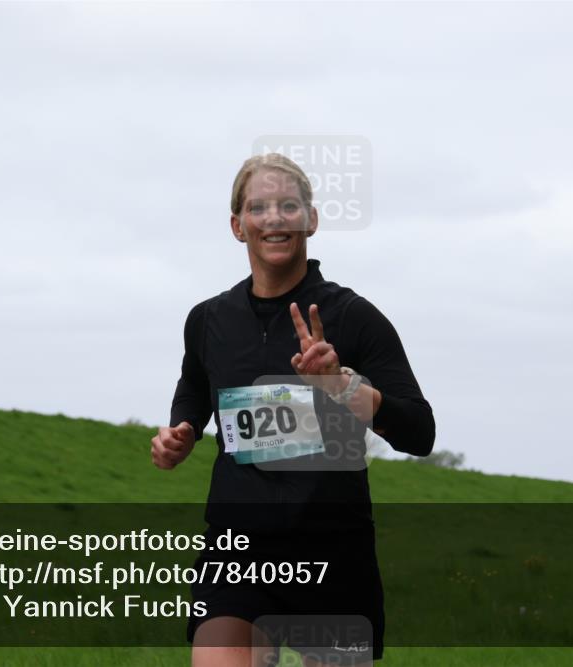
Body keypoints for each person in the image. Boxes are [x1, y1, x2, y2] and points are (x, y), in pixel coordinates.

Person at [151, 153, 435, 666]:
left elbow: (419, 431)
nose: (275, 218)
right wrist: (184, 430)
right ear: (238, 226)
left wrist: (342, 387)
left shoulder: (354, 318)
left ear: (312, 220)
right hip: (238, 552)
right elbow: (195, 382)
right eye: (259, 207)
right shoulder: (208, 320)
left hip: (333, 554)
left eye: (288, 205)